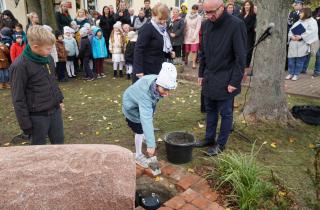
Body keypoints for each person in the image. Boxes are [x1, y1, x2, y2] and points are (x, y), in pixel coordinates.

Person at [195, 0, 247, 156]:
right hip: (210, 75)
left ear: (222, 8)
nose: (209, 15)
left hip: (227, 77)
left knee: (225, 113)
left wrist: (234, 81)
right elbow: (202, 52)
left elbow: (241, 57)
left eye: (212, 12)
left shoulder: (236, 25)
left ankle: (220, 144)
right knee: (210, 109)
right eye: (206, 12)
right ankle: (209, 138)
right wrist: (201, 73)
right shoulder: (206, 25)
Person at [10, 25, 65, 145]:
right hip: (37, 117)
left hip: (54, 112)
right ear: (35, 47)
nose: (50, 51)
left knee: (60, 145)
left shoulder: (48, 59)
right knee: (38, 150)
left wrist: (59, 100)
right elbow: (18, 98)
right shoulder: (20, 66)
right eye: (48, 49)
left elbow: (52, 81)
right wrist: (26, 125)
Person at [122, 62, 177, 167]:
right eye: (165, 90)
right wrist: (151, 146)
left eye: (168, 90)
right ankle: (137, 155)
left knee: (145, 126)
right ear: (158, 85)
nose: (166, 93)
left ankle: (145, 136)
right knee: (139, 129)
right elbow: (146, 119)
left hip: (139, 103)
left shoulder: (155, 80)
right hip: (131, 107)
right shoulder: (145, 95)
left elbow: (151, 105)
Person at [133, 3, 175, 83]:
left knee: (154, 94)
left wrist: (169, 54)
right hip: (145, 69)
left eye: (165, 19)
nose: (163, 22)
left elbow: (159, 47)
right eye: (160, 19)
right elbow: (138, 49)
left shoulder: (163, 29)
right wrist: (139, 70)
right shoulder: (147, 28)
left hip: (157, 67)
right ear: (153, 15)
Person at [287, 7, 318, 81]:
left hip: (303, 45)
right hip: (293, 44)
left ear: (306, 13)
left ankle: (296, 74)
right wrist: (291, 37)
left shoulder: (312, 22)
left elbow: (312, 33)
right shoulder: (299, 21)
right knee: (291, 61)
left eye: (301, 12)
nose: (300, 14)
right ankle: (290, 73)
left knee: (299, 61)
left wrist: (301, 37)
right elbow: (291, 30)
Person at [184, 4, 202, 69]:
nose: (194, 10)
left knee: (194, 50)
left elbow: (198, 27)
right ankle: (186, 58)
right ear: (191, 9)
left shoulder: (199, 17)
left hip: (194, 34)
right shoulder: (187, 15)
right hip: (187, 34)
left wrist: (194, 36)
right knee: (187, 50)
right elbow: (185, 23)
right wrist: (184, 31)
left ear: (197, 10)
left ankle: (193, 63)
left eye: (196, 9)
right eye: (193, 9)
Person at [240, 0, 256, 68]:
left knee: (247, 52)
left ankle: (246, 67)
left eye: (248, 5)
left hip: (249, 36)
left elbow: (250, 26)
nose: (247, 6)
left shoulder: (253, 15)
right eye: (245, 5)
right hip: (240, 35)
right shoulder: (240, 15)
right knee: (240, 51)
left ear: (251, 6)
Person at [313, 6, 320, 77]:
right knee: (313, 53)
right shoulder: (316, 10)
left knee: (318, 55)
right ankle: (303, 69)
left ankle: (317, 71)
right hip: (315, 36)